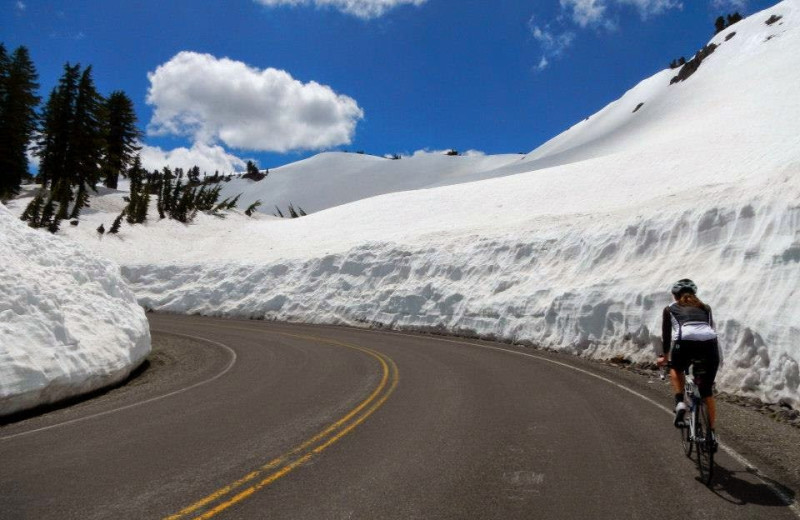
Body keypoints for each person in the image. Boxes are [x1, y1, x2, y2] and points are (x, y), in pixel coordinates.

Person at [657, 279, 720, 449]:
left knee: (676, 369)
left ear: (675, 295)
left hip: (684, 341)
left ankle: (680, 402)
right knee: (707, 392)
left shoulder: (670, 309)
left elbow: (667, 336)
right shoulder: (705, 308)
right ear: (694, 294)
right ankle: (711, 434)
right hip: (709, 345)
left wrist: (665, 357)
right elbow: (709, 328)